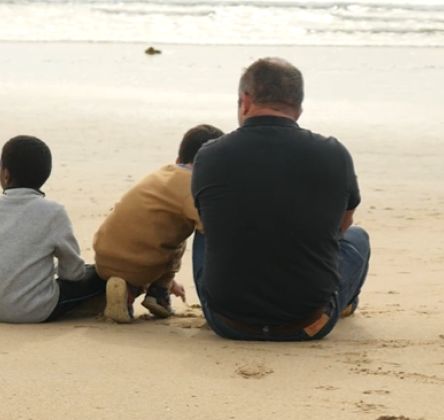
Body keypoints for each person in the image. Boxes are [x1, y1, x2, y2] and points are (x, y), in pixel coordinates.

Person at [190, 57, 370, 341]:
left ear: (245, 100)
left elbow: (208, 220)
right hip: (308, 323)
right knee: (358, 238)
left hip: (227, 322)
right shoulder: (334, 153)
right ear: (298, 107)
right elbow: (341, 228)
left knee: (204, 233)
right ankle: (345, 303)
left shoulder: (209, 155)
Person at [92, 124, 223, 323]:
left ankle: (128, 291)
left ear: (178, 159)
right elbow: (212, 227)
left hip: (103, 257)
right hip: (142, 265)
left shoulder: (161, 174)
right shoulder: (194, 184)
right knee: (185, 233)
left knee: (161, 228)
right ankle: (158, 294)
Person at [0, 135, 104, 323]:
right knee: (98, 274)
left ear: (5, 174)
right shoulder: (54, 212)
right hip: (34, 311)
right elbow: (73, 272)